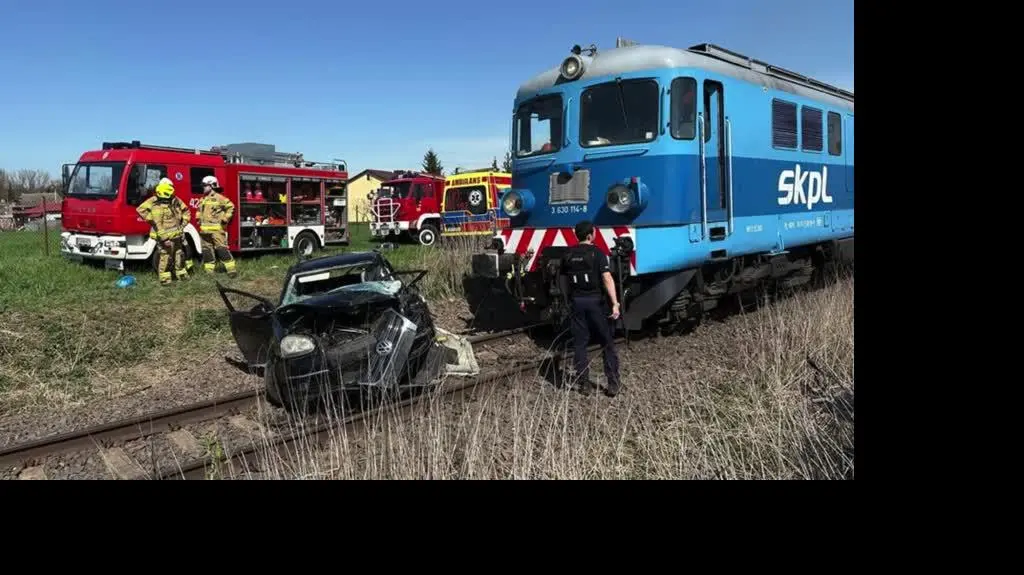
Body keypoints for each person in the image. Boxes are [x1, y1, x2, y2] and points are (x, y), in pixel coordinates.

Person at [562, 220, 622, 397]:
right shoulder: (597, 253)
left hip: (577, 303)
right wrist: (615, 303)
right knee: (606, 342)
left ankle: (584, 384)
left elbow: (563, 281)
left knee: (580, 344)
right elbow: (607, 279)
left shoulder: (568, 255)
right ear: (590, 235)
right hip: (596, 302)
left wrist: (568, 302)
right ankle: (612, 383)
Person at [137, 177, 191, 285]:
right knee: (165, 257)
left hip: (177, 235)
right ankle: (165, 280)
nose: (171, 192)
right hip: (164, 237)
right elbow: (141, 210)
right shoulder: (154, 202)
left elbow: (186, 211)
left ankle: (181, 275)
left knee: (179, 255)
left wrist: (183, 224)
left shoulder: (175, 199)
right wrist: (150, 219)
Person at [196, 175, 238, 277]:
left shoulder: (219, 198)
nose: (203, 187)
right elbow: (199, 211)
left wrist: (225, 219)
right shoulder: (203, 199)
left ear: (211, 186)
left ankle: (231, 270)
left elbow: (231, 207)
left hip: (217, 231)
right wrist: (198, 219)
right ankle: (209, 271)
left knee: (221, 249)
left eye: (205, 185)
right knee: (206, 251)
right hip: (204, 231)